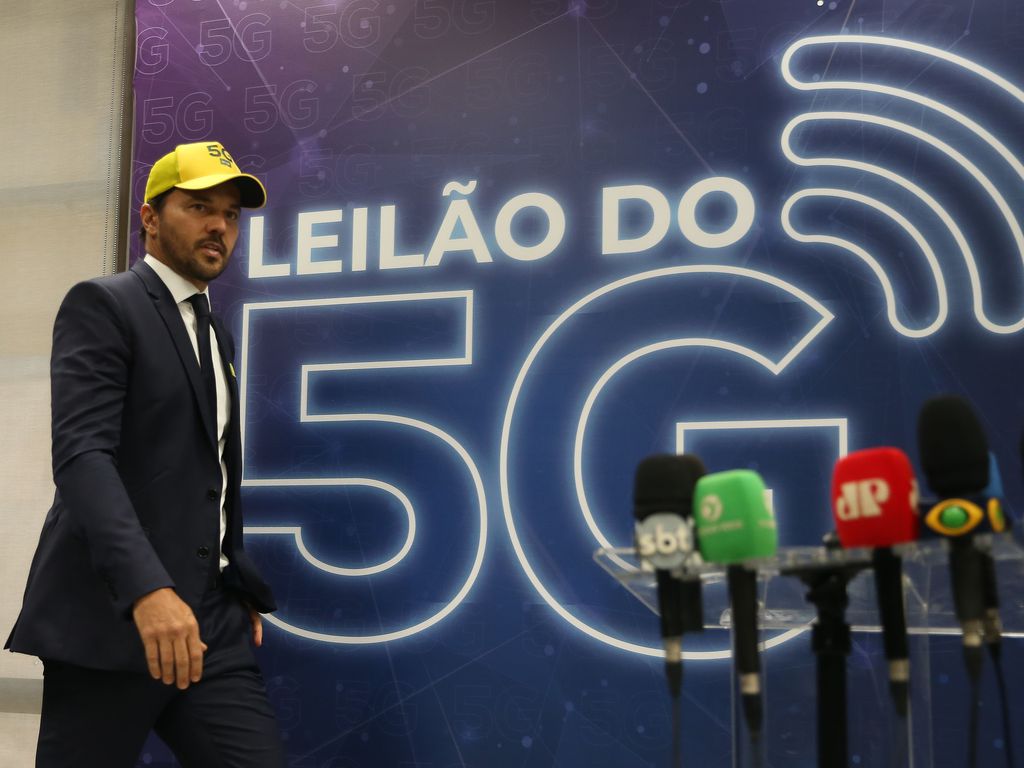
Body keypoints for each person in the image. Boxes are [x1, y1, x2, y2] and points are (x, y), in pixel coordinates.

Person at [6, 141, 285, 767]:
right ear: (151, 218)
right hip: (116, 619)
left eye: (231, 214)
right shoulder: (104, 304)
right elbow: (82, 459)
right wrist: (147, 590)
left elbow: (208, 472)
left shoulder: (216, 332)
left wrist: (232, 576)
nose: (220, 226)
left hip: (211, 624)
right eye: (200, 207)